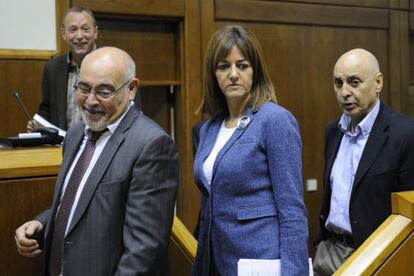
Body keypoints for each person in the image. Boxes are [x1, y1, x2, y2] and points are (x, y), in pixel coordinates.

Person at [15, 47, 179, 275]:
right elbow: (80, 199)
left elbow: (144, 251)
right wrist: (42, 223)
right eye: (83, 88)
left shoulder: (151, 145)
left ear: (131, 89)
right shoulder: (75, 134)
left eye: (104, 91)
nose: (90, 101)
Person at [192, 25, 309, 275]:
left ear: (255, 71)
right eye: (223, 66)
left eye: (242, 65)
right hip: (216, 262)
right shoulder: (208, 129)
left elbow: (292, 209)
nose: (233, 74)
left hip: (260, 260)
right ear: (213, 74)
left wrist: (294, 272)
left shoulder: (274, 120)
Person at [313, 48, 414, 275]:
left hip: (375, 257)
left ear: (378, 83)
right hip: (328, 253)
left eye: (354, 82)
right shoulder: (332, 132)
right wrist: (321, 244)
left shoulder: (405, 135)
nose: (344, 92)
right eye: (338, 83)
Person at [27, 6, 98, 131]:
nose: (80, 35)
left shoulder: (112, 65)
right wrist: (38, 125)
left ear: (95, 32)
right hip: (62, 146)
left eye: (86, 29)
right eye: (73, 30)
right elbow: (46, 110)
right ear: (63, 34)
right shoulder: (52, 68)